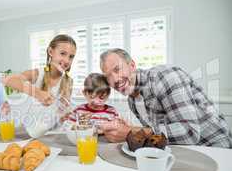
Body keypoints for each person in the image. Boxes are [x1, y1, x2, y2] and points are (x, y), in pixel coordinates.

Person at [99, 48, 232, 148]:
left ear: (132, 66)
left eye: (117, 69)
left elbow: (189, 133)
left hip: (214, 148)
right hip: (181, 152)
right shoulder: (132, 100)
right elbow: (156, 134)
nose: (115, 79)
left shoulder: (165, 77)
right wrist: (130, 130)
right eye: (108, 77)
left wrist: (131, 132)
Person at [3, 34, 76, 136]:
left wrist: (64, 114)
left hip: (51, 133)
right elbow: (8, 80)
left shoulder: (68, 81)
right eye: (63, 53)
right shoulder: (37, 74)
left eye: (71, 56)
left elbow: (61, 111)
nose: (67, 60)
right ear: (50, 52)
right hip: (30, 132)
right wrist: (38, 93)